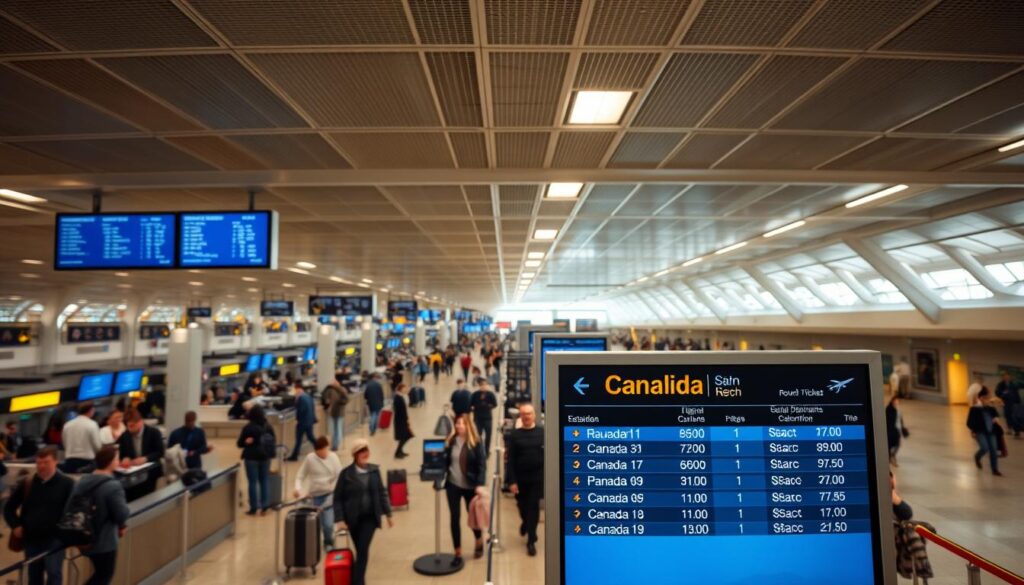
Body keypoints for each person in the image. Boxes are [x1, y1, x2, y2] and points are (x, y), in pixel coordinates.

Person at [4, 447, 74, 585]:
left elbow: (72, 512)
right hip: (31, 537)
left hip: (55, 538)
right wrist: (15, 525)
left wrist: (66, 534)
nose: (41, 466)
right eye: (39, 463)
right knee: (34, 574)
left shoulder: (67, 484)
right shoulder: (27, 483)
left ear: (55, 462)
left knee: (54, 573)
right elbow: (9, 508)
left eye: (46, 462)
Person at [333, 440, 393, 585]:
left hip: (370, 518)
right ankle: (359, 580)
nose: (365, 454)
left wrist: (388, 514)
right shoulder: (346, 474)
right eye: (361, 451)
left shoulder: (374, 471)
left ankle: (356, 582)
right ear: (355, 455)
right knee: (360, 551)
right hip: (352, 519)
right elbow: (337, 498)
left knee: (363, 549)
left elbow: (381, 492)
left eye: (366, 451)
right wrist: (340, 519)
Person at [73, 446, 130, 585]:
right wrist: (122, 524)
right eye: (117, 459)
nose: (118, 461)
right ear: (110, 462)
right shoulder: (112, 485)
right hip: (104, 540)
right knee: (104, 575)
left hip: (84, 537)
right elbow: (122, 513)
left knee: (100, 573)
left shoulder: (82, 481)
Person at [444, 415, 487, 565]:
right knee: (454, 518)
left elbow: (482, 465)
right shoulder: (450, 441)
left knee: (473, 517)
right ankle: (457, 553)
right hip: (452, 485)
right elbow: (445, 462)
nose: (459, 425)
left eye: (462, 423)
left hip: (470, 486)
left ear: (468, 425)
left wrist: (480, 484)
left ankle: (479, 540)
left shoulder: (475, 442)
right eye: (457, 423)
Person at [506, 402, 544, 556]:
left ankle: (531, 539)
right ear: (520, 416)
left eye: (529, 413)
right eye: (524, 414)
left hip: (537, 478)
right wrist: (511, 481)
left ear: (534, 415)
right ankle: (526, 522)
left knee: (533, 507)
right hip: (520, 478)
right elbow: (511, 460)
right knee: (522, 506)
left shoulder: (542, 433)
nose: (527, 416)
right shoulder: (515, 435)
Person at [294, 436, 342, 550]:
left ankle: (328, 542)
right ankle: (319, 542)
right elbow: (300, 476)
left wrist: (333, 486)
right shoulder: (310, 459)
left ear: (327, 448)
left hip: (330, 495)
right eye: (319, 452)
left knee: (328, 524)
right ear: (315, 451)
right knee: (317, 524)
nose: (323, 454)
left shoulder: (334, 458)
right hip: (314, 496)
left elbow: (340, 476)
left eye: (324, 451)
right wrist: (298, 488)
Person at [116, 409, 165, 500]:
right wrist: (125, 458)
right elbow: (123, 454)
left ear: (140, 422)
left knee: (147, 496)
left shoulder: (154, 433)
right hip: (133, 473)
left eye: (132, 426)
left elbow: (160, 452)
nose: (130, 429)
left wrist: (145, 458)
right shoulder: (125, 435)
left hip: (151, 471)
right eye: (128, 426)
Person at [238, 406, 275, 515]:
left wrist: (246, 442)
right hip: (265, 456)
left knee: (253, 482)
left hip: (251, 457)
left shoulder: (248, 428)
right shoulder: (268, 427)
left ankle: (254, 507)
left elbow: (239, 443)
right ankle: (265, 505)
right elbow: (273, 441)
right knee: (264, 480)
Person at [967, 389, 1003, 476]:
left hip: (991, 431)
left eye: (988, 398)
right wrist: (973, 431)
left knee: (993, 450)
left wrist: (996, 419)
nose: (987, 399)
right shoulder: (974, 409)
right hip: (980, 431)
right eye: (985, 398)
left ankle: (995, 469)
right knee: (985, 448)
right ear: (980, 398)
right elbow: (969, 422)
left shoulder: (991, 408)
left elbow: (996, 417)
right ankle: (977, 457)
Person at [62, 402, 103, 473]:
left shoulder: (67, 425)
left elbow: (64, 443)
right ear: (91, 410)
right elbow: (97, 445)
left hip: (70, 460)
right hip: (87, 461)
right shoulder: (92, 424)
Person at [288, 381, 317, 461]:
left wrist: (297, 419)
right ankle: (319, 448)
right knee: (310, 437)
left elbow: (301, 410)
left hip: (303, 422)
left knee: (300, 439)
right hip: (309, 420)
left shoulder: (300, 398)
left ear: (297, 389)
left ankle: (294, 456)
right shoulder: (308, 396)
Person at [470, 378, 498, 455]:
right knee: (478, 435)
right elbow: (471, 404)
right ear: (479, 386)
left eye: (485, 385)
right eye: (482, 385)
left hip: (487, 418)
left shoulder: (490, 394)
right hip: (477, 418)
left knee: (488, 435)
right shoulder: (475, 394)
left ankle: (487, 450)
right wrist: (473, 408)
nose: (484, 386)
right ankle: (478, 451)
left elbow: (495, 404)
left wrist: (488, 406)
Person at [322, 379, 350, 451]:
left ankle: (335, 445)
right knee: (337, 429)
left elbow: (326, 400)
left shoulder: (332, 390)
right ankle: (335, 445)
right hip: (338, 412)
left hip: (335, 412)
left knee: (335, 429)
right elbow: (346, 399)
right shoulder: (337, 390)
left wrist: (338, 402)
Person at [995, 371, 1021, 437]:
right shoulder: (1000, 385)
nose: (1007, 378)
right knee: (1008, 416)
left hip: (1014, 403)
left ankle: (1017, 431)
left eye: (1008, 376)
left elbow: (1016, 394)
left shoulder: (1013, 384)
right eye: (1005, 376)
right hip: (1006, 403)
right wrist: (1003, 393)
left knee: (1015, 417)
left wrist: (1018, 402)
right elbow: (997, 392)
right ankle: (1009, 428)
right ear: (1003, 377)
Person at [885, 397, 909, 467]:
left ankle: (892, 456)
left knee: (897, 444)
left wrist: (902, 429)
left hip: (897, 430)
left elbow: (900, 421)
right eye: (895, 401)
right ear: (892, 401)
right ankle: (890, 458)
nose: (896, 403)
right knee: (889, 445)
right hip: (890, 430)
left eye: (897, 402)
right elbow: (887, 421)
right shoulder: (888, 409)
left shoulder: (898, 410)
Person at [392, 383, 414, 459]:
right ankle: (397, 453)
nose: (406, 390)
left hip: (403, 420)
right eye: (405, 388)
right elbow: (399, 411)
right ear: (401, 389)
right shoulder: (397, 398)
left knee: (406, 436)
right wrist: (406, 420)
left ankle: (400, 451)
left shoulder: (401, 397)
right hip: (400, 421)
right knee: (404, 436)